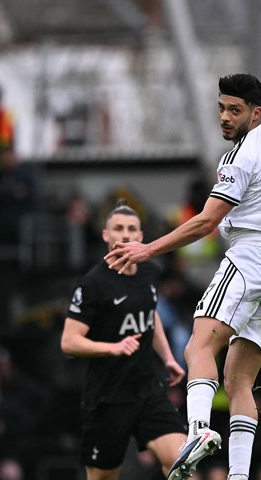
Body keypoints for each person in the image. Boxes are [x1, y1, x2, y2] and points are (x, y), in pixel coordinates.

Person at [105, 74, 261, 480]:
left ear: (255, 113)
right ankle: (239, 475)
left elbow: (206, 222)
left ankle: (196, 431)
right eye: (222, 108)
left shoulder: (238, 158)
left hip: (251, 259)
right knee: (239, 379)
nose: (225, 117)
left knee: (197, 349)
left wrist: (147, 248)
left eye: (234, 111)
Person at [60, 200, 189, 480]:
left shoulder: (149, 272)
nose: (126, 234)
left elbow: (150, 316)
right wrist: (113, 348)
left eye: (132, 229)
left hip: (148, 390)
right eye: (118, 228)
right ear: (106, 236)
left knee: (183, 464)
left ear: (141, 237)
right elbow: (69, 342)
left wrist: (167, 358)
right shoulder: (92, 284)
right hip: (107, 398)